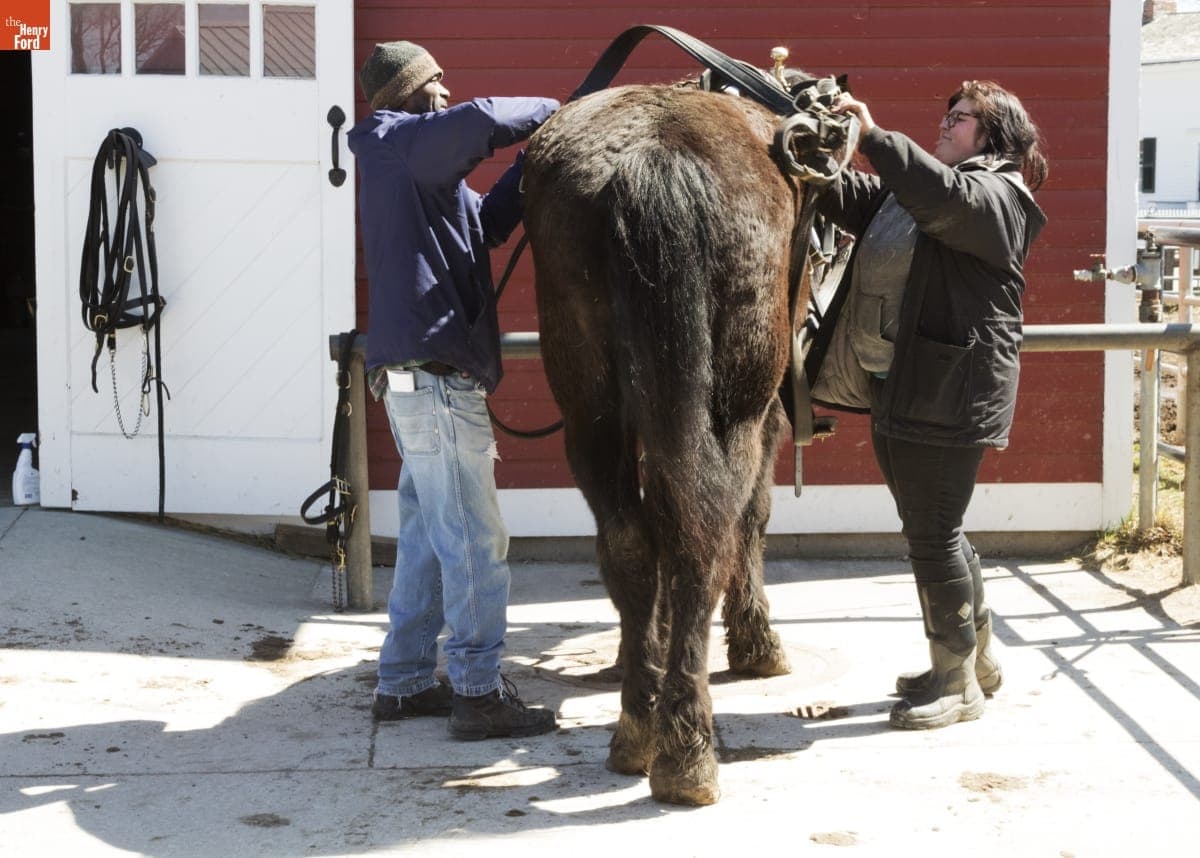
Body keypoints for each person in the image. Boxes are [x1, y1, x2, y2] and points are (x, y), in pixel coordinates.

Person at [815, 80, 1048, 729]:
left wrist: (874, 137)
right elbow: (861, 197)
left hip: (950, 389)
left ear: (994, 134)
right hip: (910, 381)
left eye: (961, 117)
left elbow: (941, 195)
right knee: (938, 527)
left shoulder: (997, 195)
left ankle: (957, 687)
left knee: (934, 531)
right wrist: (813, 153)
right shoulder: (926, 188)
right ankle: (975, 661)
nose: (947, 123)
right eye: (945, 113)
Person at [347, 41, 560, 739]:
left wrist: (533, 165)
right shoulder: (397, 141)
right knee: (473, 539)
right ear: (412, 91)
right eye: (438, 82)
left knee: (427, 536)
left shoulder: (408, 171)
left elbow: (487, 224)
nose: (448, 91)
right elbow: (480, 121)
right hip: (435, 382)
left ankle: (405, 682)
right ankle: (476, 690)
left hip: (419, 382)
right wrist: (560, 110)